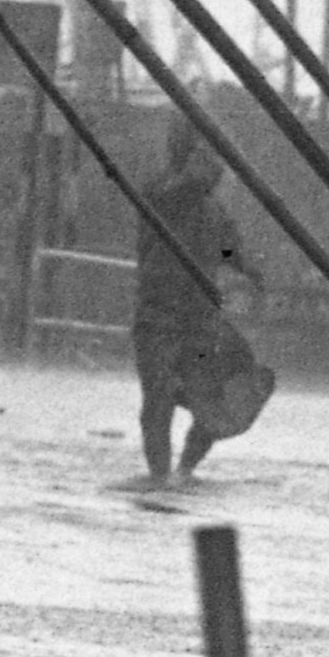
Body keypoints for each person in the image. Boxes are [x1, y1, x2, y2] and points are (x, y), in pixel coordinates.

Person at [131, 116, 266, 487]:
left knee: (217, 399)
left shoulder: (214, 210)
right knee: (157, 403)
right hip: (159, 316)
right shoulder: (161, 192)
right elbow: (191, 184)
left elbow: (230, 249)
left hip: (201, 320)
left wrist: (248, 270)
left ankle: (184, 472)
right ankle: (159, 476)